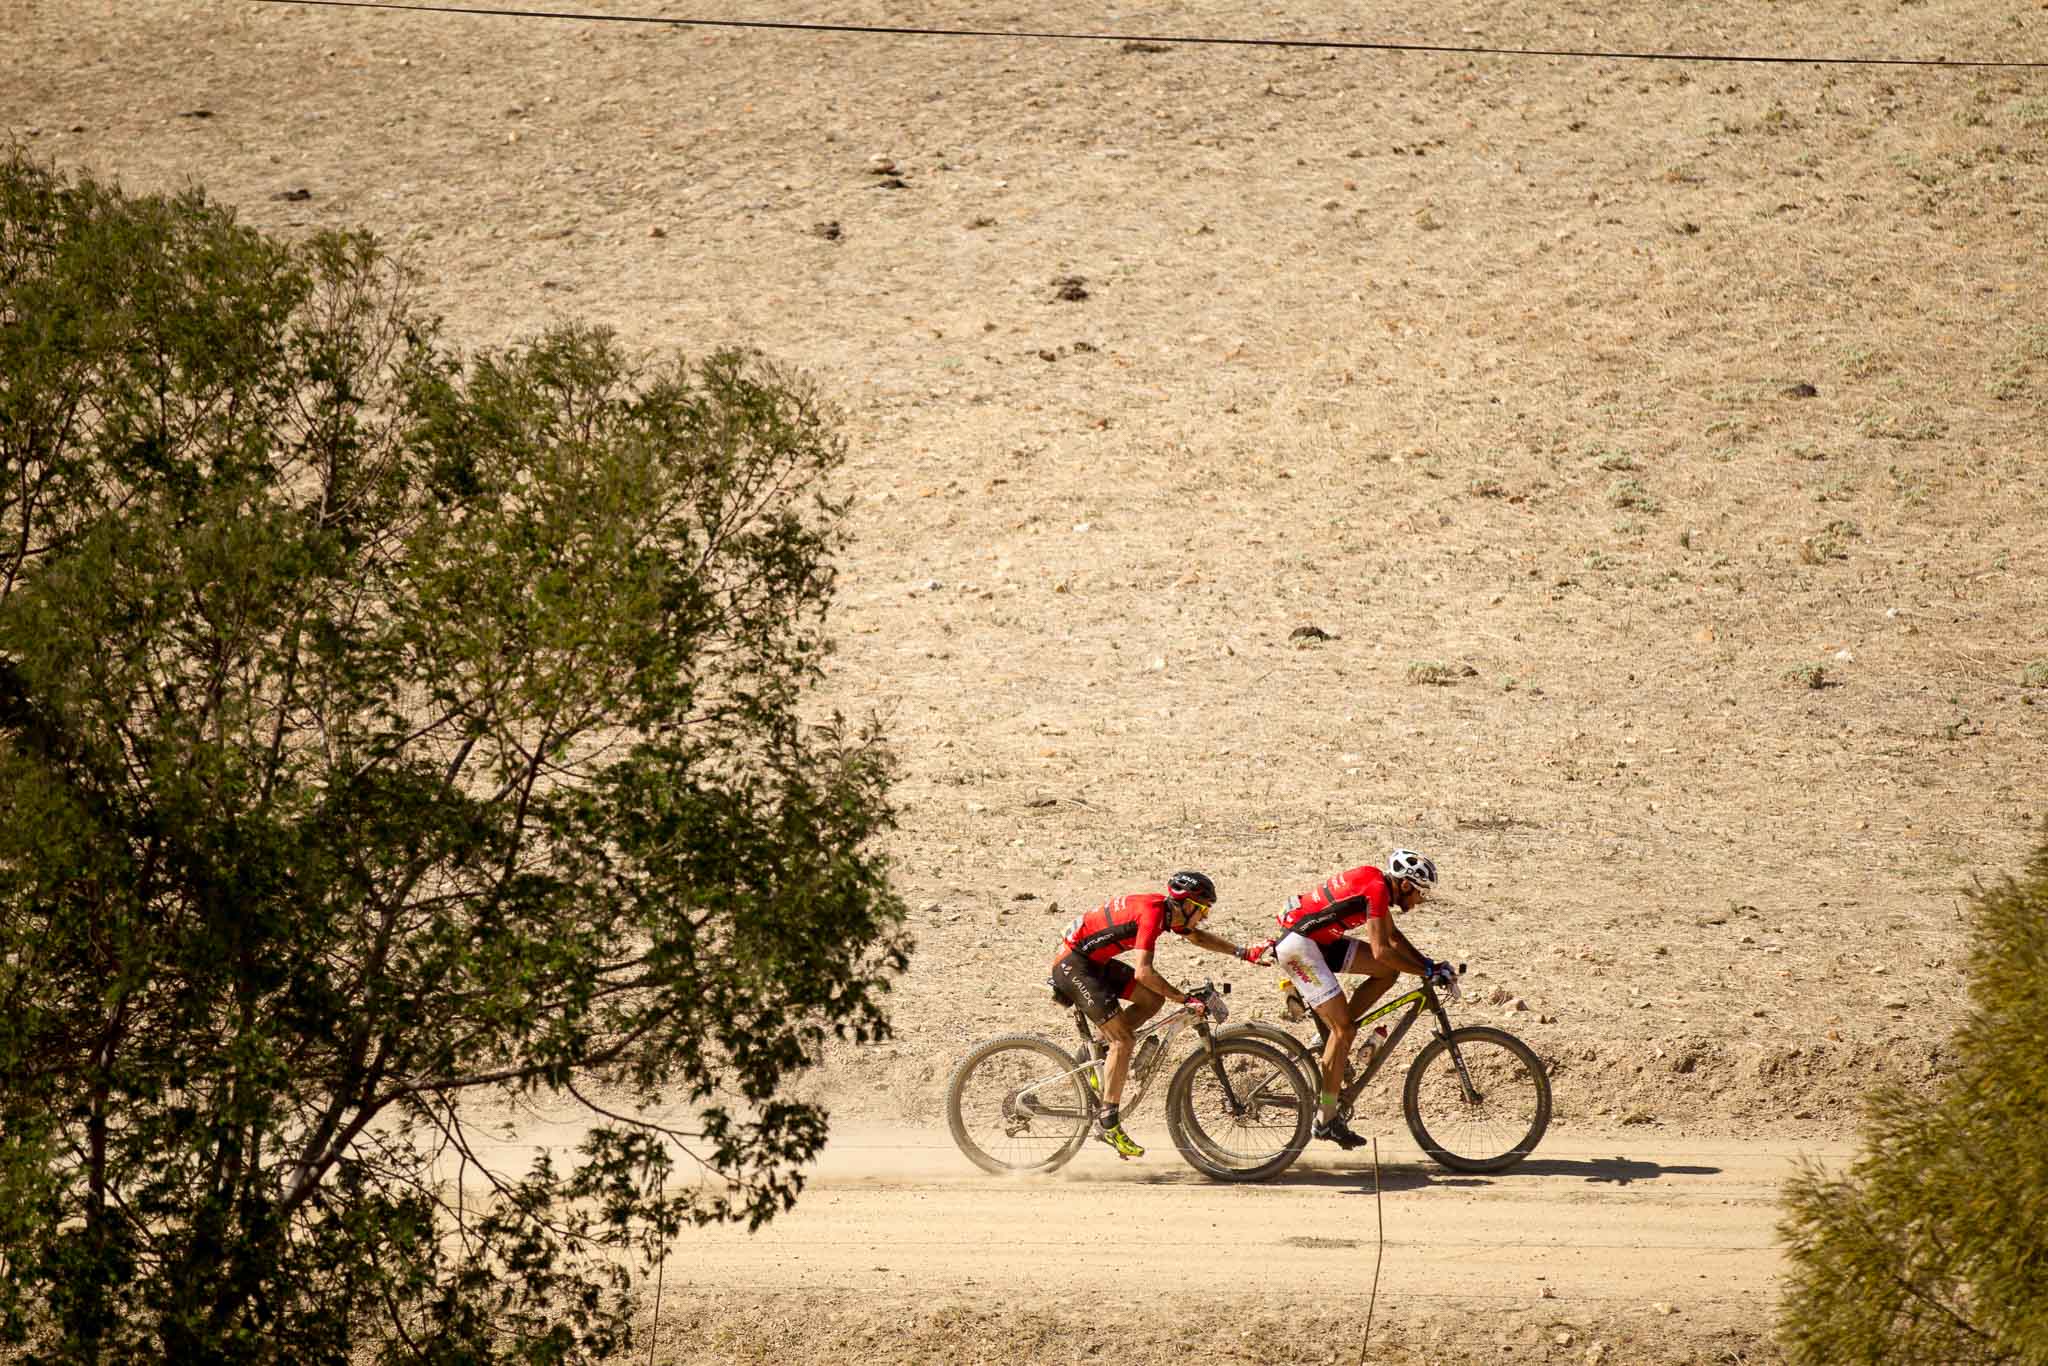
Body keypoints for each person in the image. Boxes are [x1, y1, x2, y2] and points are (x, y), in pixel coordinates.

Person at [1048, 871, 1275, 1159]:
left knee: (1152, 999)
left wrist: (1243, 952)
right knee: (1124, 1042)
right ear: (1186, 904)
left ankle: (1094, 1052)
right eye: (1203, 910)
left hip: (1091, 962)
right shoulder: (1153, 914)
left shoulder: (1169, 913)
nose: (1204, 917)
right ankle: (1109, 1120)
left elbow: (1198, 937)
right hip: (1074, 965)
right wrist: (1183, 998)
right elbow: (1144, 971)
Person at [1272, 848, 1453, 1150]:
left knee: (1386, 972)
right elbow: (1382, 948)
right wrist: (1425, 970)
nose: (1420, 901)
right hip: (1299, 947)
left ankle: (1334, 1036)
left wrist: (1428, 964)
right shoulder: (1377, 889)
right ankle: (1326, 1118)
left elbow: (1393, 940)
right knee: (1345, 1031)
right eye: (1420, 893)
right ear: (1406, 884)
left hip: (1317, 941)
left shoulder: (1377, 884)